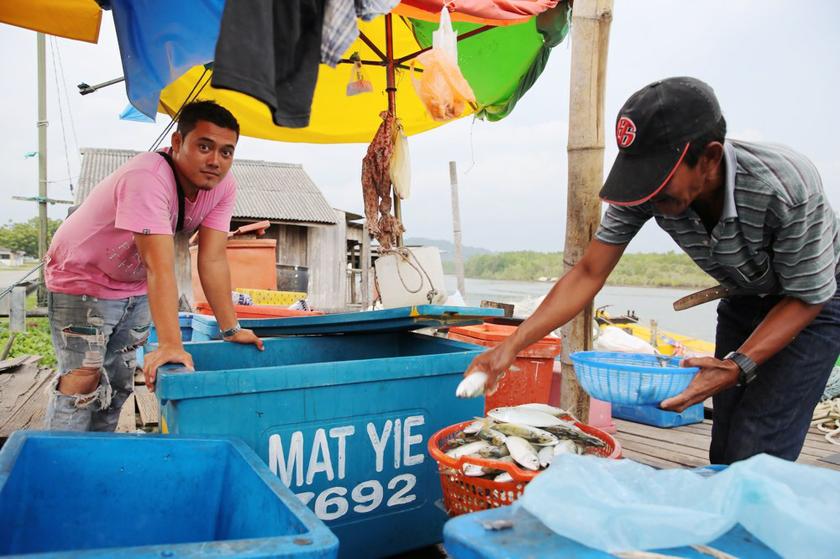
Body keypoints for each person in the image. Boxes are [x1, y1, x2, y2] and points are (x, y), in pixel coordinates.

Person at [464, 77, 840, 464]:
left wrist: (737, 365)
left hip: (813, 298)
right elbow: (588, 273)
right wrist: (510, 346)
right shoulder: (644, 190)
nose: (647, 195)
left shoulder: (786, 188)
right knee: (726, 442)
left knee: (759, 442)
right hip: (743, 292)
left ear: (709, 158)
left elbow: (807, 294)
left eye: (659, 182)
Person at [44, 100, 264, 432]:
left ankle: (93, 458)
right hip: (82, 278)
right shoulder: (147, 176)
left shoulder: (223, 186)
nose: (215, 161)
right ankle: (56, 464)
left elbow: (213, 258)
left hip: (133, 285)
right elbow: (158, 267)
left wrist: (230, 328)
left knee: (119, 383)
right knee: (84, 378)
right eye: (204, 146)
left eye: (226, 152)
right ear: (177, 143)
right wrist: (171, 346)